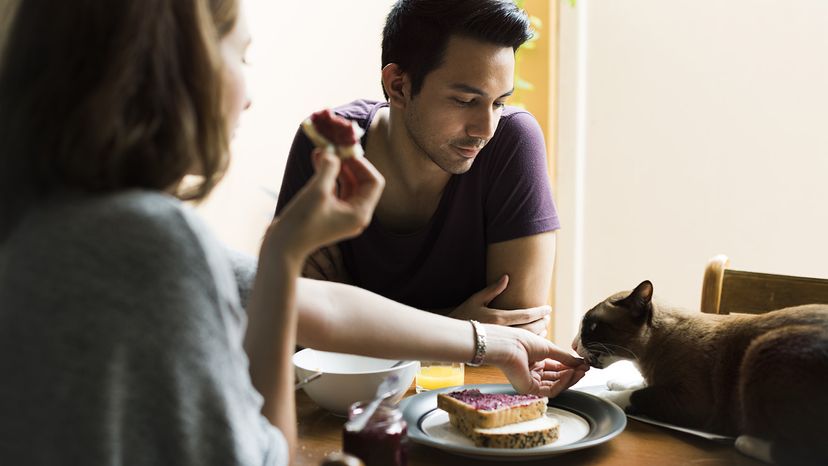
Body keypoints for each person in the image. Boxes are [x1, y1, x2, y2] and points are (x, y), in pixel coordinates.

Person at [0, 0, 587, 465]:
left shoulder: (42, 221)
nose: (248, 95)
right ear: (169, 73)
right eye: (241, 56)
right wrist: (285, 262)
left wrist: (497, 342)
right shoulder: (151, 245)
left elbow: (319, 304)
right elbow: (268, 452)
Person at [276, 0, 560, 337]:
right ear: (399, 86)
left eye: (498, 103)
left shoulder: (512, 142)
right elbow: (298, 321)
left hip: (469, 391)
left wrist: (353, 313)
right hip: (347, 391)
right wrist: (459, 327)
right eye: (465, 101)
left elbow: (515, 331)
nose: (485, 129)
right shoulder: (328, 145)